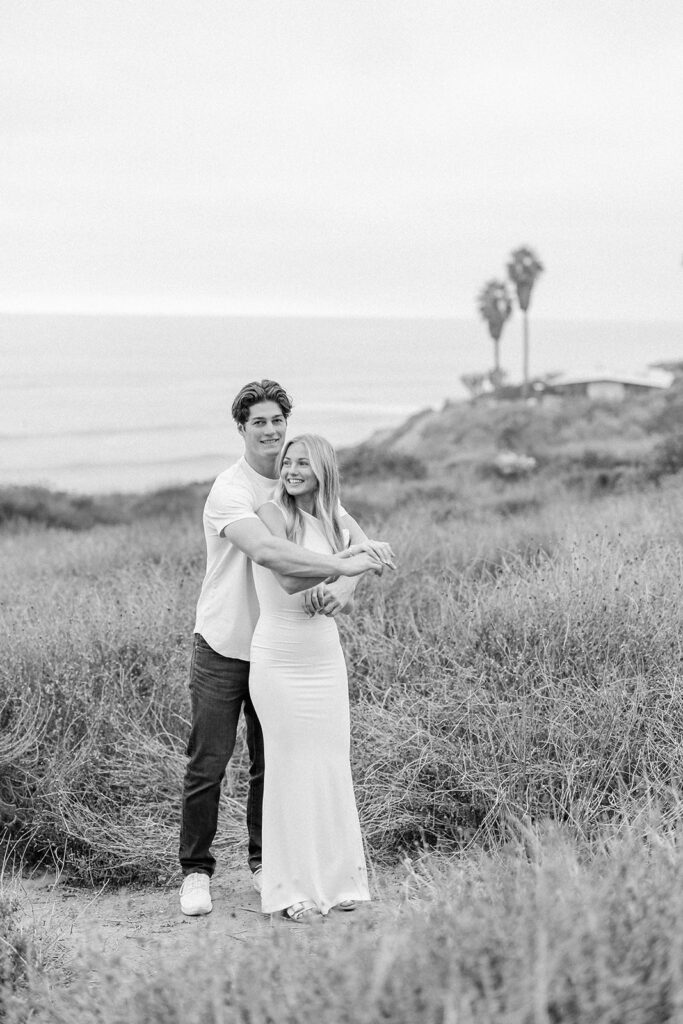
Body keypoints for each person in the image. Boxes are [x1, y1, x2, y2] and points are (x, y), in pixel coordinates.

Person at [179, 380, 391, 916]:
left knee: (270, 764)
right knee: (209, 762)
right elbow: (272, 554)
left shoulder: (303, 479)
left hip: (291, 645)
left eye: (278, 421)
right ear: (242, 429)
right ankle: (196, 872)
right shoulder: (232, 490)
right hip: (228, 641)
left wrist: (346, 586)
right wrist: (343, 566)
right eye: (259, 423)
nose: (271, 432)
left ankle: (265, 865)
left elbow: (357, 539)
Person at [249, 434, 393, 923]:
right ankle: (292, 890)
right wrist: (350, 564)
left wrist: (346, 586)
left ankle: (339, 880)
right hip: (279, 655)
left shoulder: (335, 517)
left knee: (331, 763)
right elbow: (289, 577)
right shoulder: (271, 513)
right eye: (287, 462)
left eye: (302, 463)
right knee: (289, 767)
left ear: (322, 470)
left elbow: (372, 555)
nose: (290, 470)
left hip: (323, 656)